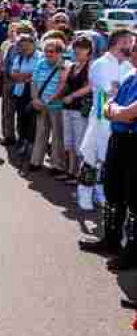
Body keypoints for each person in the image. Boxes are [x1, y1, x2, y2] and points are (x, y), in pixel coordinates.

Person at [79, 29, 136, 253]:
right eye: (128, 43)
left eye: (133, 44)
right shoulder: (104, 64)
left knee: (123, 187)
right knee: (94, 163)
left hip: (126, 133)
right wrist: (115, 104)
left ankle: (127, 248)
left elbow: (118, 99)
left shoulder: (129, 69)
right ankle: (86, 195)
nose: (130, 47)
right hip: (106, 126)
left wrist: (117, 105)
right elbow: (108, 94)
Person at [99, 70, 137, 272]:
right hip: (119, 139)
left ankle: (132, 254)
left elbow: (128, 113)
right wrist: (116, 111)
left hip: (134, 143)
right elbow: (108, 104)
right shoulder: (131, 76)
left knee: (134, 200)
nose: (132, 52)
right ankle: (111, 240)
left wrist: (117, 112)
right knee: (112, 190)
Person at [55, 36, 94, 186]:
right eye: (76, 46)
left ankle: (79, 173)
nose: (78, 50)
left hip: (79, 109)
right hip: (67, 107)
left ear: (89, 50)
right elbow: (64, 84)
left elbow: (90, 86)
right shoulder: (71, 66)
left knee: (79, 142)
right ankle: (70, 171)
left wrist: (72, 96)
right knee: (68, 142)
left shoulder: (90, 66)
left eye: (82, 47)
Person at [26, 38, 69, 175]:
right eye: (46, 51)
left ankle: (57, 165)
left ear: (59, 52)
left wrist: (49, 101)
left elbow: (63, 87)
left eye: (51, 51)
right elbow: (34, 82)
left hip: (56, 105)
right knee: (41, 132)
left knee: (57, 136)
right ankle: (36, 161)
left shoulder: (66, 65)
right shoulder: (41, 63)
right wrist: (35, 99)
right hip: (40, 104)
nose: (47, 54)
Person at [8, 35, 42, 156]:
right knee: (21, 118)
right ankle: (22, 141)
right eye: (22, 46)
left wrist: (23, 76)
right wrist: (27, 76)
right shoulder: (19, 57)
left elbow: (37, 75)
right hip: (20, 91)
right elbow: (13, 74)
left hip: (34, 92)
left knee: (32, 120)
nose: (25, 48)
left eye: (27, 44)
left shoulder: (40, 57)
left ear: (34, 44)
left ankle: (31, 145)